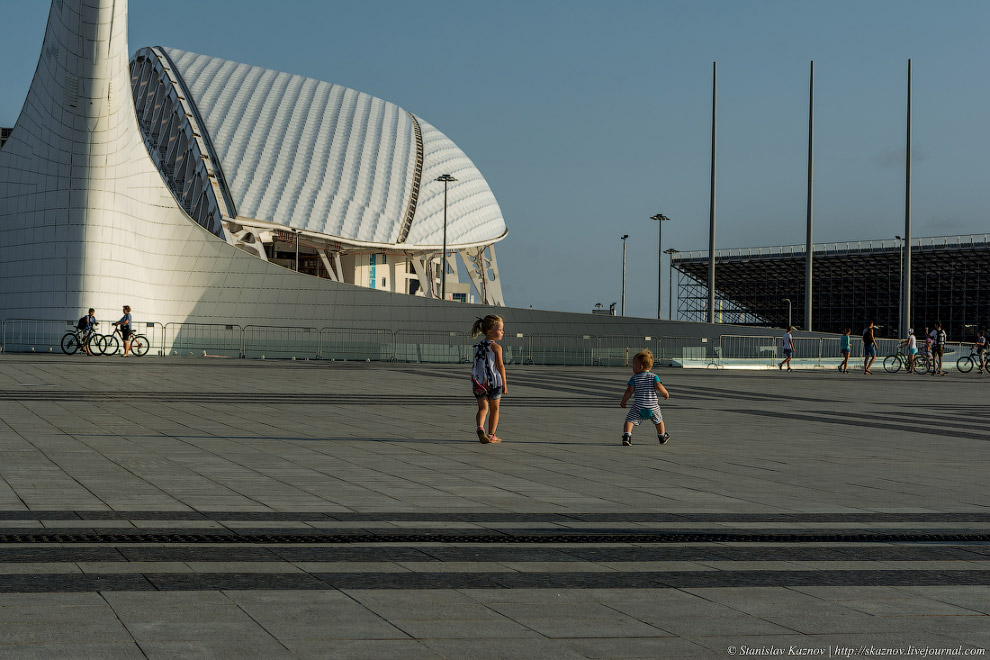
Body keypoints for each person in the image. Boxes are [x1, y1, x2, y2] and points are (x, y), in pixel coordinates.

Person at [619, 349, 670, 446]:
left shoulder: (634, 378)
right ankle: (662, 436)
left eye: (633, 365)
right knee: (659, 421)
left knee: (629, 420)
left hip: (639, 406)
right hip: (653, 406)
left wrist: (623, 401)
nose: (632, 368)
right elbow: (658, 386)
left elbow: (629, 391)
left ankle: (627, 437)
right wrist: (665, 393)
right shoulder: (654, 377)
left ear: (640, 366)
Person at [471, 315, 507, 444]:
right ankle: (491, 435)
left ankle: (480, 427)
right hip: (494, 382)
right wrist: (504, 384)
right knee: (495, 409)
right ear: (490, 331)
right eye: (500, 329)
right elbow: (500, 366)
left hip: (479, 382)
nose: (502, 331)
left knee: (483, 408)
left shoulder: (479, 345)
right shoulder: (496, 347)